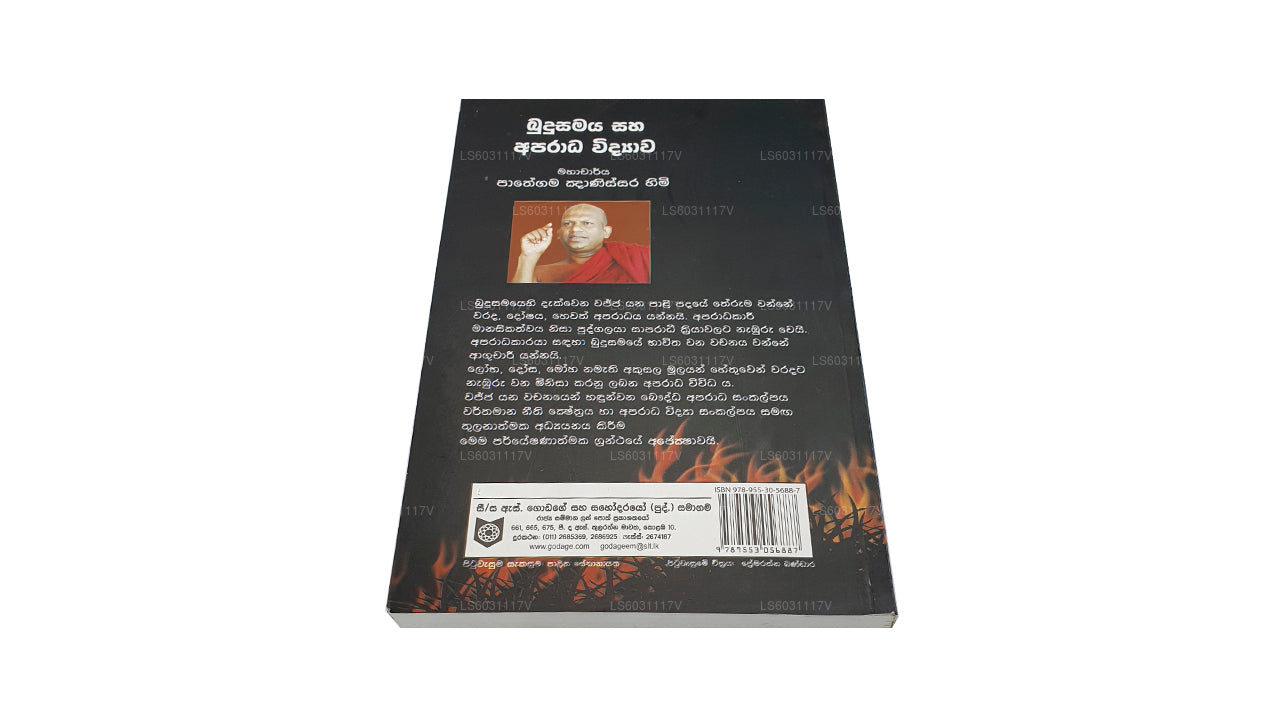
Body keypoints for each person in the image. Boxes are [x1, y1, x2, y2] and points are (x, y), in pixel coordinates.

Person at [510, 203, 650, 283]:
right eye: (567, 223)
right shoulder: (538, 273)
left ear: (606, 232)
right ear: (558, 233)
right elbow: (519, 304)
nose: (575, 229)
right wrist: (528, 257)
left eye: (587, 223)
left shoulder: (638, 258)